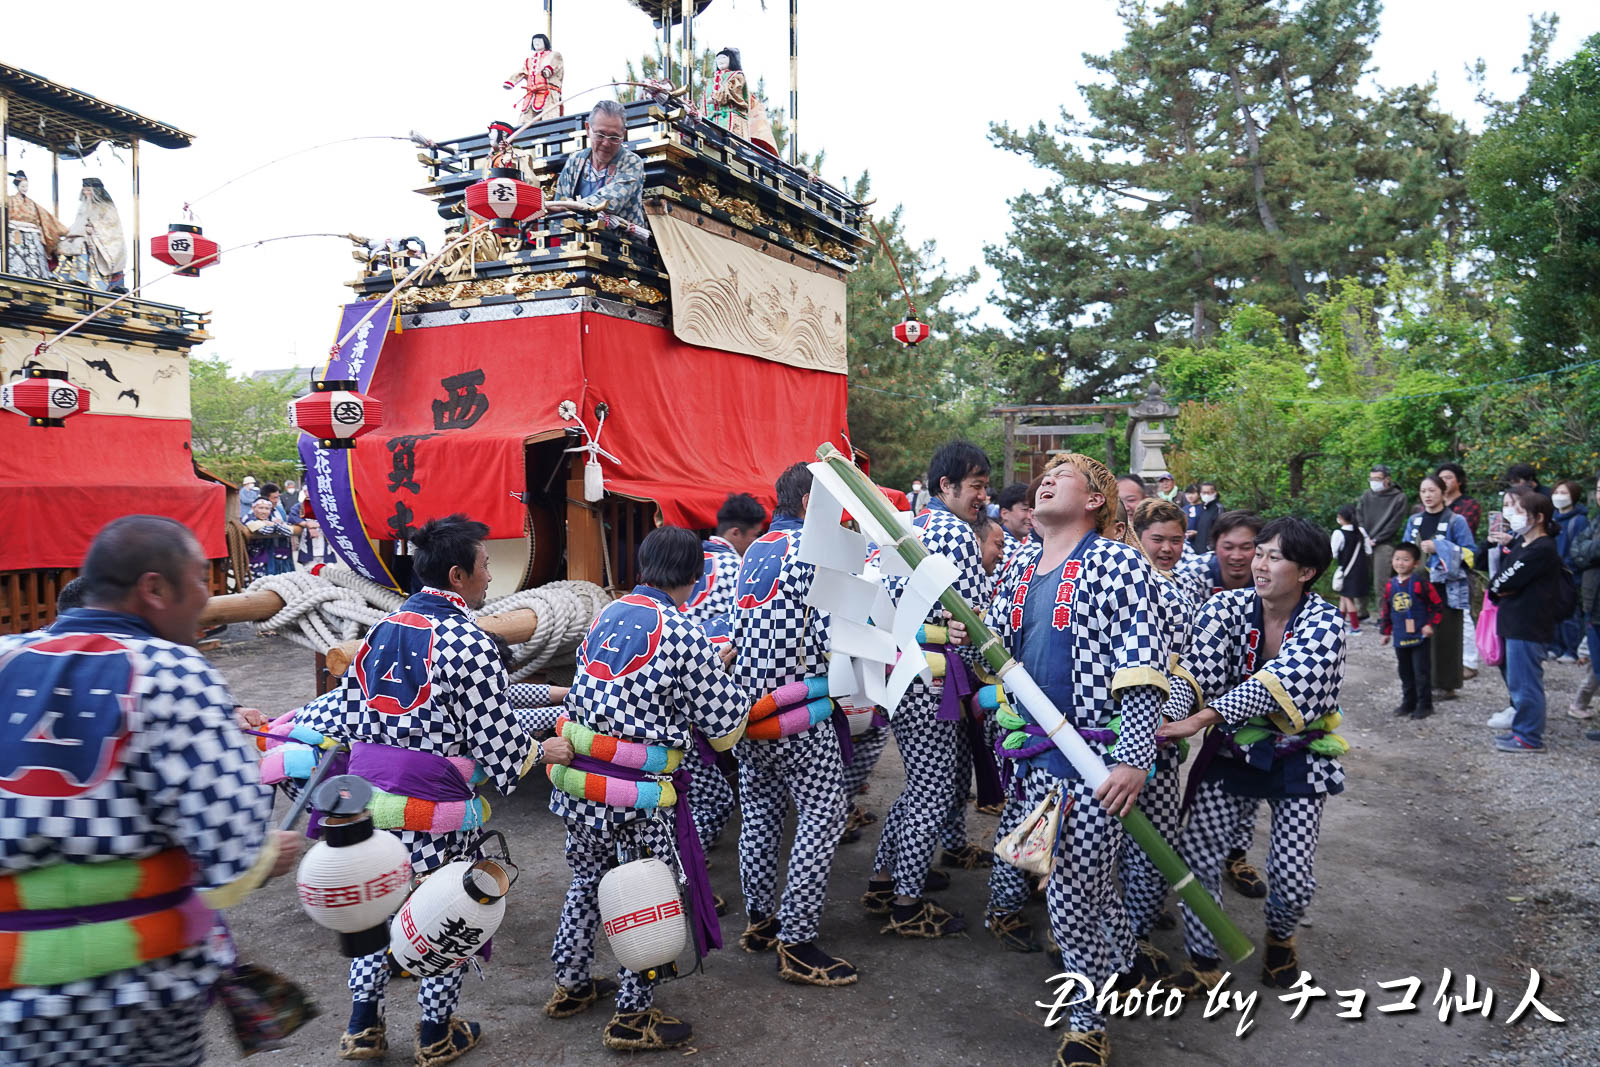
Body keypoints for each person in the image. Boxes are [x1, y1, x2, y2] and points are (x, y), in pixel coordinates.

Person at [0, 516, 302, 1067]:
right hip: (137, 990)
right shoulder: (172, 671)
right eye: (199, 580)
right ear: (155, 588)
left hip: (12, 992)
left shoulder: (4, 657)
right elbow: (231, 852)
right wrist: (266, 857)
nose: (206, 599)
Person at [309, 514, 570, 1065]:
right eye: (484, 567)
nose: (489, 577)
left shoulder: (381, 630)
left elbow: (351, 715)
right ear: (457, 575)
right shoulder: (469, 641)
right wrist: (540, 751)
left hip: (370, 799)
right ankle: (434, 1032)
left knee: (377, 907)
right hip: (434, 805)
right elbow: (498, 743)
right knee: (445, 909)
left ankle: (362, 1025)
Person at [980, 454, 1168, 1067]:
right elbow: (998, 654)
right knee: (1087, 883)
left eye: (1065, 475)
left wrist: (1133, 758)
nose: (1047, 479)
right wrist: (968, 639)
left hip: (1095, 760)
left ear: (1094, 501)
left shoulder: (1119, 563)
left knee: (1068, 895)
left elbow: (1142, 665)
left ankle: (1088, 1023)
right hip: (1035, 757)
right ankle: (1125, 968)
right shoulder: (1019, 563)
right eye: (1046, 474)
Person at [549, 526, 748, 1050]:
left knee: (588, 879)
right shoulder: (684, 632)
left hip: (579, 781)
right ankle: (633, 1015)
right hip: (635, 792)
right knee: (644, 893)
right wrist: (723, 674)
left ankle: (570, 982)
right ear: (696, 576)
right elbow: (726, 728)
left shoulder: (606, 615)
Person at [1158, 517, 1347, 994]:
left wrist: (1201, 719)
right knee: (1199, 851)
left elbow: (1277, 683)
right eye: (1258, 553)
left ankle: (1281, 936)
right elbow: (1194, 674)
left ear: (1306, 572)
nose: (1258, 564)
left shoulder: (1326, 623)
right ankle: (1203, 957)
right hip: (1232, 750)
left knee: (1292, 873)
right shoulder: (1226, 607)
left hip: (1302, 754)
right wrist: (1171, 716)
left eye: (1273, 557)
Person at [729, 465, 856, 985]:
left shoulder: (756, 549)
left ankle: (761, 919)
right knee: (824, 813)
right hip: (798, 711)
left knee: (761, 811)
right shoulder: (816, 548)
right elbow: (834, 633)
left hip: (749, 708)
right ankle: (797, 939)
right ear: (809, 503)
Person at [865, 440, 990, 938]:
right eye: (977, 485)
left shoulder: (906, 527)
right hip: (933, 679)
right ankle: (906, 903)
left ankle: (885, 879)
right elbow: (976, 615)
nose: (983, 496)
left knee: (922, 785)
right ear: (946, 485)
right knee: (933, 791)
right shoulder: (956, 533)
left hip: (898, 674)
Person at [1121, 497, 1199, 981]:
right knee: (1102, 840)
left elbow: (1192, 662)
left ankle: (1138, 930)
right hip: (1116, 731)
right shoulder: (1121, 580)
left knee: (1156, 839)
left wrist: (1173, 714)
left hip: (1165, 731)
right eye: (1158, 539)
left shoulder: (1185, 587)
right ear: (1136, 536)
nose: (1168, 548)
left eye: (1177, 540)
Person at [1488, 491, 1566, 753]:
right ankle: (1521, 730)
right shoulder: (1523, 544)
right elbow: (1499, 580)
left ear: (1539, 517)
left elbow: (1505, 581)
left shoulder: (1542, 549)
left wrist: (1500, 587)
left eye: (1520, 511)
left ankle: (1529, 737)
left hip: (1528, 624)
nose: (1514, 516)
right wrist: (1499, 587)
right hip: (1514, 621)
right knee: (1516, 681)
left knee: (1526, 683)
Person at [1400, 475, 1476, 693]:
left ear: (1443, 493)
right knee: (1416, 635)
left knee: (1446, 637)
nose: (1427, 495)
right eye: (1423, 491)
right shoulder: (1414, 520)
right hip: (1417, 587)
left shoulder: (1456, 521)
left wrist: (1441, 548)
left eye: (1432, 490)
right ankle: (1419, 684)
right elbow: (1404, 550)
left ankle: (1446, 686)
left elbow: (1471, 554)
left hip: (1446, 588)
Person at [547, 100, 646, 228]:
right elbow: (557, 216)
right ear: (588, 129)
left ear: (623, 135)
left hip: (619, 239)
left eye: (614, 138)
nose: (606, 143)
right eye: (600, 135)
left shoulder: (632, 162)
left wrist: (566, 206)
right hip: (575, 238)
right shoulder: (574, 162)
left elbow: (609, 202)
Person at [1380, 543, 1444, 719]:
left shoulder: (1420, 583)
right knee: (1405, 671)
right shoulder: (1390, 585)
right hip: (1400, 634)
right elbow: (1386, 609)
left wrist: (1430, 624)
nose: (1400, 563)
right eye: (1397, 559)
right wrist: (1385, 632)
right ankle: (1408, 702)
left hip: (1420, 635)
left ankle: (1425, 705)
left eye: (1405, 560)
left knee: (1421, 672)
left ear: (1416, 563)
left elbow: (1437, 606)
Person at [1568, 475, 1600, 725]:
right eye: (1599, 489)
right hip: (1593, 602)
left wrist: (1590, 550)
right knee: (1597, 664)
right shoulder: (1595, 520)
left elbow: (1585, 550)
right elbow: (1576, 552)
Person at [1356, 465, 1409, 613]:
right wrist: (1363, 535)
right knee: (1358, 578)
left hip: (1384, 543)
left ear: (1387, 479)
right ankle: (1360, 612)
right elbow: (1358, 515)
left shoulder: (1399, 497)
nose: (1374, 482)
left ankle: (1383, 614)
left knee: (1381, 582)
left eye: (1377, 479)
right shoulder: (1366, 495)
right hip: (1363, 541)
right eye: (1371, 479)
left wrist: (1377, 539)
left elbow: (1395, 523)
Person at [58, 177, 127, 291]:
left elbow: (111, 227)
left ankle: (81, 277)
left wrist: (93, 229)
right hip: (81, 236)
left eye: (89, 190)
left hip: (98, 240)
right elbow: (77, 224)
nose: (86, 193)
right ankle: (64, 276)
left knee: (81, 244)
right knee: (64, 245)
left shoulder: (107, 207)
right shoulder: (83, 207)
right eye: (84, 190)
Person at [1549, 479, 1589, 663]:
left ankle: (1571, 649)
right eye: (1556, 492)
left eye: (1564, 493)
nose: (1559, 496)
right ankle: (1554, 646)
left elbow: (1579, 548)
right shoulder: (1551, 518)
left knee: (1570, 612)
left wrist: (1569, 567)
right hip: (1550, 572)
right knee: (1551, 610)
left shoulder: (1579, 520)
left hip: (1569, 573)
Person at [6, 171, 67, 279]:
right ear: (17, 186)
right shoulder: (9, 200)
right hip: (16, 234)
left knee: (35, 259)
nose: (25, 189)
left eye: (26, 186)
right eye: (23, 186)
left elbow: (46, 217)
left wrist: (63, 230)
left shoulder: (32, 204)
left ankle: (37, 276)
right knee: (17, 260)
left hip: (33, 235)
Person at [503, 33, 564, 127]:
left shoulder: (553, 55)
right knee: (524, 121)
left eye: (539, 40)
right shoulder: (529, 60)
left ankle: (551, 130)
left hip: (548, 92)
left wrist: (547, 71)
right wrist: (512, 81)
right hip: (532, 94)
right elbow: (523, 71)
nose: (536, 43)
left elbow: (552, 65)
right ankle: (523, 133)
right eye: (534, 41)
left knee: (549, 117)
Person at [1329, 505, 1372, 634]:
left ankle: (1355, 627)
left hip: (1347, 569)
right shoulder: (1361, 531)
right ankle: (1340, 623)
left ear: (1340, 518)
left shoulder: (1339, 533)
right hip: (1360, 569)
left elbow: (1333, 553)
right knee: (1344, 596)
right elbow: (1368, 550)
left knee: (1348, 598)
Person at [996, 482, 1033, 551]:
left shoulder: (1027, 542)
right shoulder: (1001, 544)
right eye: (1025, 509)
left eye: (1032, 510)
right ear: (1004, 513)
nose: (1030, 516)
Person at [1192, 480, 1222, 551]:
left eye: (1208, 492)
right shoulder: (1202, 507)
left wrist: (1211, 547)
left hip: (1210, 551)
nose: (1206, 495)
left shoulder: (1218, 508)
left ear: (1215, 493)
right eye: (1203, 492)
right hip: (1199, 549)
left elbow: (1220, 530)